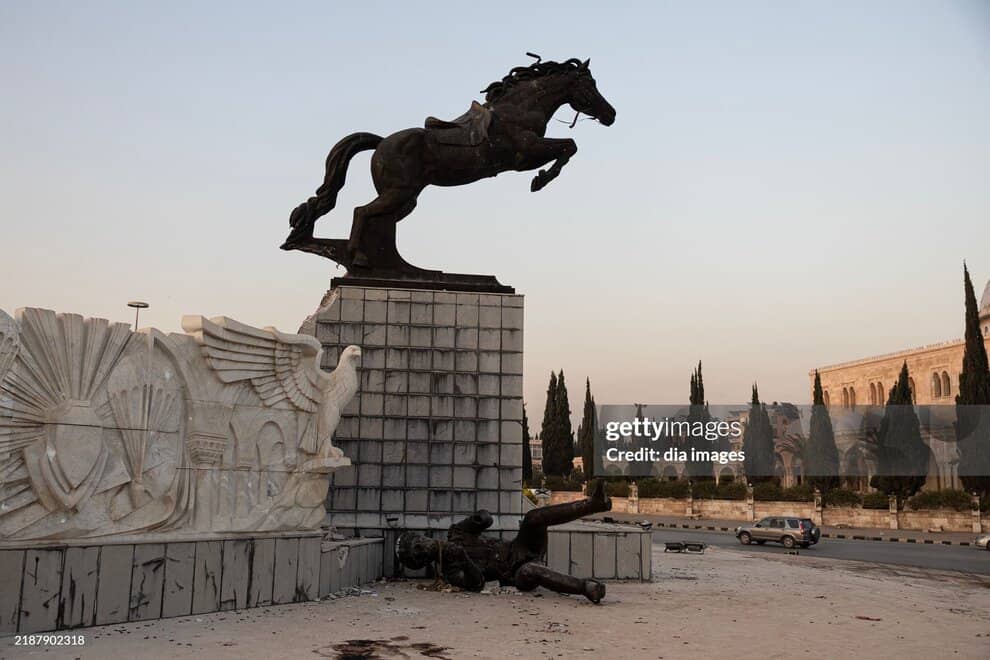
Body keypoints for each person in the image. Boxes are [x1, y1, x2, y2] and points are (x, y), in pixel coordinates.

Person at [396, 478, 613, 603]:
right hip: (514, 573)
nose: (423, 547)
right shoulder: (450, 572)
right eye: (418, 552)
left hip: (518, 547)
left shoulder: (457, 532)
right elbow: (477, 584)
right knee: (530, 571)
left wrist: (479, 519)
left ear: (423, 537)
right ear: (422, 561)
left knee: (532, 518)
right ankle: (586, 588)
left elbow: (486, 519)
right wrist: (460, 557)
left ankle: (594, 504)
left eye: (418, 543)